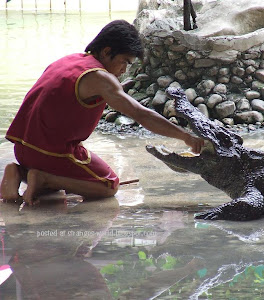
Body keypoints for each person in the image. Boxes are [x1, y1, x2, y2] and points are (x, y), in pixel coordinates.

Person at [0, 20, 204, 205]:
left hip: (24, 149)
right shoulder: (100, 78)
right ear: (106, 52)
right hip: (51, 153)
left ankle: (19, 171)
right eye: (124, 61)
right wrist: (185, 136)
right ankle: (42, 177)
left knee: (60, 188)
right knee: (108, 186)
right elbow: (141, 114)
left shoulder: (68, 60)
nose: (124, 69)